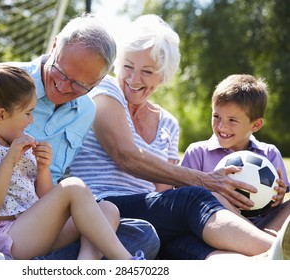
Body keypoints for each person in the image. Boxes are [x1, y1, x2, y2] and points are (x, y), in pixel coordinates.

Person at [0, 15, 158, 260]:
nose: (65, 87)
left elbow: (48, 189)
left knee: (140, 233)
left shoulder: (86, 111)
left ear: (100, 81)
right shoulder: (2, 81)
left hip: (31, 214)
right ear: (55, 45)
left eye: (81, 85)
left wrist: (44, 170)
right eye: (62, 74)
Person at [69, 14, 288, 259]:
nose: (133, 79)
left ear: (163, 75)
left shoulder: (168, 124)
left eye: (147, 72)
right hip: (100, 205)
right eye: (127, 66)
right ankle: (274, 249)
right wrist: (205, 180)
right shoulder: (105, 91)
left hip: (147, 214)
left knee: (202, 248)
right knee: (193, 198)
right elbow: (125, 156)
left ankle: (264, 263)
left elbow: (163, 195)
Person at [180, 74, 290, 238]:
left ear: (256, 124)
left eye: (232, 120)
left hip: (263, 225)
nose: (222, 126)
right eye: (216, 116)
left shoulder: (269, 153)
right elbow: (185, 200)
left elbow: (274, 204)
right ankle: (260, 242)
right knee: (215, 197)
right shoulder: (197, 152)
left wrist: (278, 197)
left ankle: (265, 239)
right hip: (218, 226)